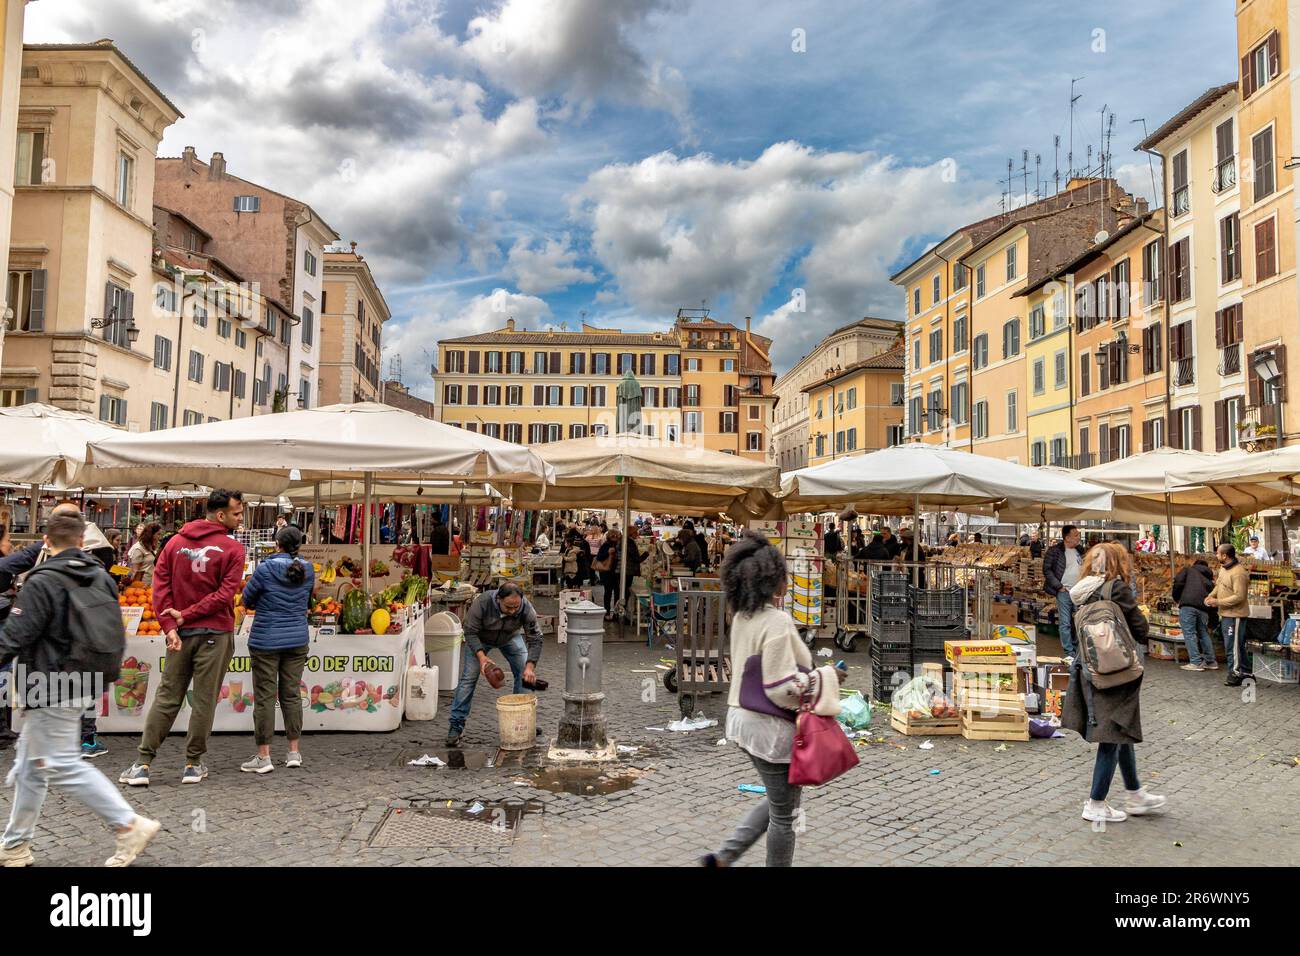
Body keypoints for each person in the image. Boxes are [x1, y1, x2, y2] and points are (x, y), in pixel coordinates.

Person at [0, 510, 162, 867]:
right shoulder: (100, 576)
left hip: (48, 683)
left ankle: (128, 823)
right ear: (80, 542)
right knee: (30, 767)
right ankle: (15, 845)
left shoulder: (43, 581)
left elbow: (14, 636)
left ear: (46, 542)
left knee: (60, 764)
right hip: (84, 680)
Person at [700, 532, 843, 867]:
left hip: (740, 721)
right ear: (772, 581)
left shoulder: (741, 617)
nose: (788, 582)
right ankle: (730, 856)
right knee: (785, 815)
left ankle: (725, 856)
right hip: (769, 728)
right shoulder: (777, 621)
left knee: (780, 800)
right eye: (784, 577)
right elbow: (780, 686)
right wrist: (824, 678)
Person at [119, 490, 246, 787]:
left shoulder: (174, 543)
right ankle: (193, 763)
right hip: (214, 632)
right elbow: (225, 596)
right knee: (203, 699)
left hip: (180, 634)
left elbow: (159, 589)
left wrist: (170, 625)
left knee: (167, 695)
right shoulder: (233, 549)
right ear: (220, 515)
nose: (240, 519)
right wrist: (184, 616)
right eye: (237, 513)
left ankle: (143, 763)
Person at [1064, 541, 1166, 825]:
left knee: (1120, 727)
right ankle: (1096, 803)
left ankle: (1135, 793)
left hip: (1088, 668)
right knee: (1110, 735)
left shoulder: (1080, 593)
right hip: (1116, 670)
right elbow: (1140, 630)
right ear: (1116, 563)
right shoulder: (1117, 589)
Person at [238, 525, 313, 773]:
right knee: (291, 694)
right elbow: (307, 598)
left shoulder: (264, 569)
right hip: (297, 639)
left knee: (265, 698)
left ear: (277, 544)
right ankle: (294, 752)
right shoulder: (308, 569)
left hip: (266, 640)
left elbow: (246, 600)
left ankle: (264, 756)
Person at [445, 583, 543, 747]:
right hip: (480, 639)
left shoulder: (526, 608)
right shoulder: (482, 603)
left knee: (525, 674)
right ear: (498, 599)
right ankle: (456, 726)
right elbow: (469, 632)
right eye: (508, 607)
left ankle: (521, 722)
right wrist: (482, 658)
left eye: (516, 607)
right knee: (468, 679)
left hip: (510, 636)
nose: (512, 611)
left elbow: (535, 638)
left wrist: (530, 666)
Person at [1206, 543, 1249, 687]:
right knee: (1235, 646)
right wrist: (1210, 597)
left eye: (1218, 553)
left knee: (1233, 646)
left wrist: (1217, 601)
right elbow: (1219, 586)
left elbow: (1239, 596)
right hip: (1226, 614)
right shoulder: (1223, 569)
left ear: (1225, 556)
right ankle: (1246, 672)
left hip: (1235, 615)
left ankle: (1235, 674)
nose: (1216, 555)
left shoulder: (1238, 572)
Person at [1044, 525, 1085, 657]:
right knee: (1065, 623)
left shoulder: (1080, 550)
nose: (1078, 537)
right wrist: (1058, 586)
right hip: (1064, 592)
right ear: (1067, 538)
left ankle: (1078, 647)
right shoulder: (1055, 551)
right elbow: (1047, 570)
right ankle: (1069, 652)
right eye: (1076, 535)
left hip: (1079, 592)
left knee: (1079, 621)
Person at [1172, 557, 1216, 672]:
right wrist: (1213, 622)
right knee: (1203, 633)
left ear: (1195, 565)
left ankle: (1195, 662)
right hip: (1204, 609)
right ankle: (1211, 661)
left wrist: (1177, 598)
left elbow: (1178, 582)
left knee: (1189, 633)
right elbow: (1213, 601)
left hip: (1188, 605)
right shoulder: (1210, 581)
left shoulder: (1188, 570)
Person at [596, 529, 624, 620]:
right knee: (607, 593)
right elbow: (599, 557)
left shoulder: (620, 546)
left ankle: (616, 613)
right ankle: (607, 612)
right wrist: (608, 553)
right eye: (613, 536)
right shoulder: (605, 545)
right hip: (607, 573)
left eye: (616, 536)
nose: (614, 538)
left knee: (617, 593)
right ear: (609, 537)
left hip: (617, 573)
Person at [127, 522, 162, 587]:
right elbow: (135, 572)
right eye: (158, 534)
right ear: (151, 535)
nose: (160, 537)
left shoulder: (152, 546)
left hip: (151, 585)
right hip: (142, 588)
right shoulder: (138, 548)